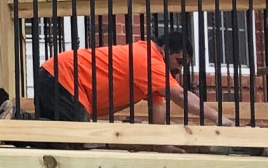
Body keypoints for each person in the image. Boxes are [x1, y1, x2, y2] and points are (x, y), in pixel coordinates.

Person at [32, 23, 224, 125]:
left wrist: (164, 147)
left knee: (56, 133)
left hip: (54, 76)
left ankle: (17, 118)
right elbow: (181, 96)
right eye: (179, 62)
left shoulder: (155, 77)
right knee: (78, 136)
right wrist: (219, 118)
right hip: (61, 77)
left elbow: (158, 114)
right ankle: (18, 118)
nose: (179, 70)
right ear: (164, 50)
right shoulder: (148, 59)